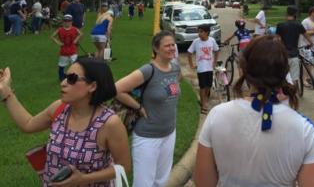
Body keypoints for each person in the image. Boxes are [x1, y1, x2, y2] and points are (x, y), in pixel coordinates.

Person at [194, 36, 314, 187]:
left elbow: (203, 182)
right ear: (284, 72)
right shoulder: (306, 130)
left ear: (244, 70)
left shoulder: (216, 116)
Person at [0, 58, 131, 186]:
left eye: (71, 79)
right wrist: (6, 91)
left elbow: (124, 167)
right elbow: (27, 124)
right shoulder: (60, 108)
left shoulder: (109, 123)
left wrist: (84, 179)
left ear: (92, 86)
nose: (63, 83)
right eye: (64, 77)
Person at [115, 31, 181, 187]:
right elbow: (116, 89)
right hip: (148, 136)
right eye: (167, 45)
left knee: (161, 181)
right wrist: (138, 106)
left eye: (173, 44)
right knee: (143, 183)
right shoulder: (148, 70)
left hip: (169, 133)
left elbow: (174, 87)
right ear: (156, 49)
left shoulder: (175, 68)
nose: (172, 48)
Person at [276, 5, 312, 89]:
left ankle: (284, 92)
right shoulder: (298, 25)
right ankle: (294, 95)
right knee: (294, 77)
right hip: (294, 54)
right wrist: (311, 43)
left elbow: (277, 39)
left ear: (286, 13)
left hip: (283, 55)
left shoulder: (280, 25)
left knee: (283, 75)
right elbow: (306, 35)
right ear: (295, 14)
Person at [188, 24, 219, 114]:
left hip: (209, 67)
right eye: (198, 31)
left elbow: (217, 51)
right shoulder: (196, 42)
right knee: (202, 86)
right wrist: (191, 65)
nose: (199, 33)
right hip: (201, 68)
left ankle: (204, 100)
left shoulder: (212, 40)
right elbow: (189, 53)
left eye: (201, 31)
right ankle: (203, 104)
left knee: (208, 86)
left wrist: (215, 62)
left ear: (207, 32)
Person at [51, 14, 82, 81]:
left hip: (73, 50)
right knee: (61, 65)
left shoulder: (74, 29)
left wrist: (76, 40)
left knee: (75, 64)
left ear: (71, 22)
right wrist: (58, 43)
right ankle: (61, 78)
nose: (67, 22)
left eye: (68, 21)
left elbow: (80, 34)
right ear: (63, 22)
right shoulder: (60, 29)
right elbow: (52, 36)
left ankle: (74, 77)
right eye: (65, 21)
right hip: (64, 51)